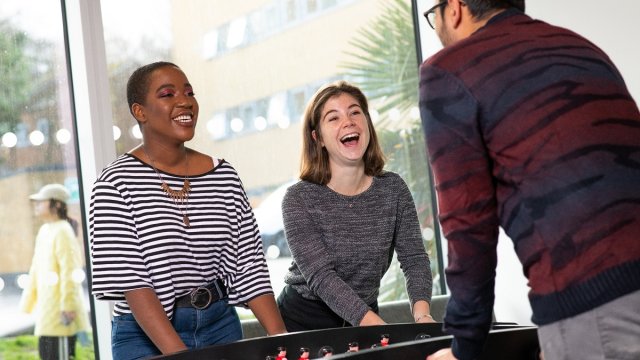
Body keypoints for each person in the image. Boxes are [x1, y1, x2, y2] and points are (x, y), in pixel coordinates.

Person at [419, 1, 640, 359]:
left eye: (434, 16)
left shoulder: (449, 70)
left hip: (595, 302)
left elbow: (468, 224)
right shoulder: (581, 47)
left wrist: (464, 348)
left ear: (455, 8)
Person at [89, 61, 286, 359]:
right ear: (139, 111)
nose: (185, 101)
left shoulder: (223, 176)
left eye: (189, 93)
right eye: (167, 94)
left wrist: (281, 339)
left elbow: (248, 265)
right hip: (145, 335)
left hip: (220, 326)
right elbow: (134, 285)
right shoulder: (115, 184)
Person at [276, 80, 434, 331]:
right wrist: (379, 328)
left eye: (354, 112)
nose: (348, 121)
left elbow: (414, 259)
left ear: (367, 124)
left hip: (367, 316)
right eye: (333, 118)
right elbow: (321, 277)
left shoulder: (394, 190)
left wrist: (423, 317)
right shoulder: (298, 199)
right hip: (303, 322)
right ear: (318, 138)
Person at [20, 183, 89, 360]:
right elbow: (35, 268)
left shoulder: (64, 231)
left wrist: (68, 306)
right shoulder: (44, 230)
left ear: (57, 204)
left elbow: (70, 271)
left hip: (61, 312)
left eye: (41, 202)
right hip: (47, 310)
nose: (37, 205)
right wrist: (28, 301)